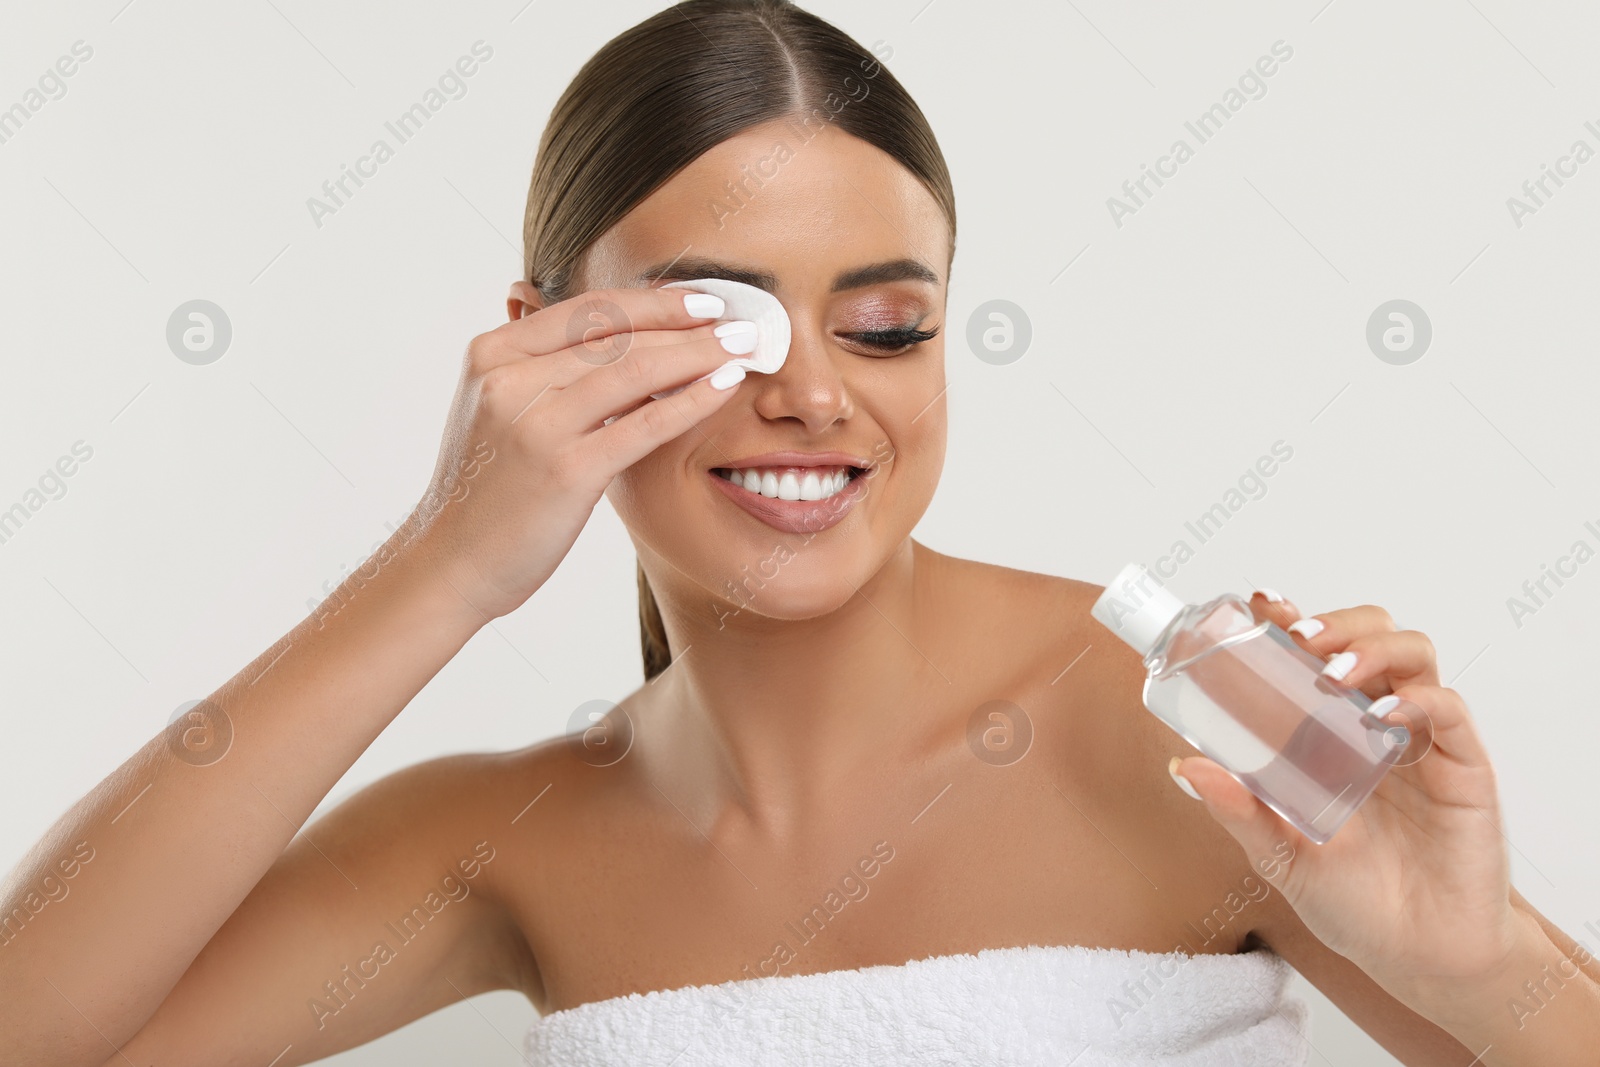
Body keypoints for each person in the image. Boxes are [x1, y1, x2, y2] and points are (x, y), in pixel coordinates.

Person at [3, 2, 1596, 1064]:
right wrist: (445, 561)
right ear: (537, 344)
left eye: (888, 327)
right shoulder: (503, 846)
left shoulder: (1185, 738)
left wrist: (1478, 970)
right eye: (723, 327)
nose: (818, 398)